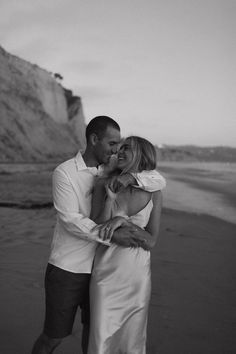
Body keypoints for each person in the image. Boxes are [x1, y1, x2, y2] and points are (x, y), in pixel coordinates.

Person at [31, 116, 166, 354]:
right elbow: (71, 220)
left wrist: (131, 177)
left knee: (94, 335)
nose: (116, 150)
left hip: (103, 269)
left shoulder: (111, 169)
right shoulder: (65, 173)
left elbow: (156, 177)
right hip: (69, 267)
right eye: (112, 144)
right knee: (54, 336)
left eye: (120, 145)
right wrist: (112, 236)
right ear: (94, 139)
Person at [88, 136, 163, 354]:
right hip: (105, 274)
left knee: (132, 342)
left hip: (137, 278)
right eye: (120, 148)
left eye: (127, 149)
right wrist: (110, 200)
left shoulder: (154, 192)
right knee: (101, 338)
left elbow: (151, 241)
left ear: (141, 156)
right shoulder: (102, 185)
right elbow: (96, 229)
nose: (119, 152)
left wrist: (121, 220)